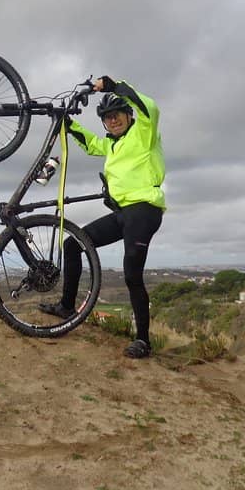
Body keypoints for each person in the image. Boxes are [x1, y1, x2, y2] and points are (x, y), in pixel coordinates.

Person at [39, 76, 166, 358]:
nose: (112, 121)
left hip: (144, 210)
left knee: (132, 274)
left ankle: (143, 341)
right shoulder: (112, 145)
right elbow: (91, 143)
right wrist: (66, 123)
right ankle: (66, 306)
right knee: (72, 245)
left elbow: (150, 107)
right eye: (107, 118)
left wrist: (110, 84)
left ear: (128, 114)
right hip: (123, 213)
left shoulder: (144, 132)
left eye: (117, 115)